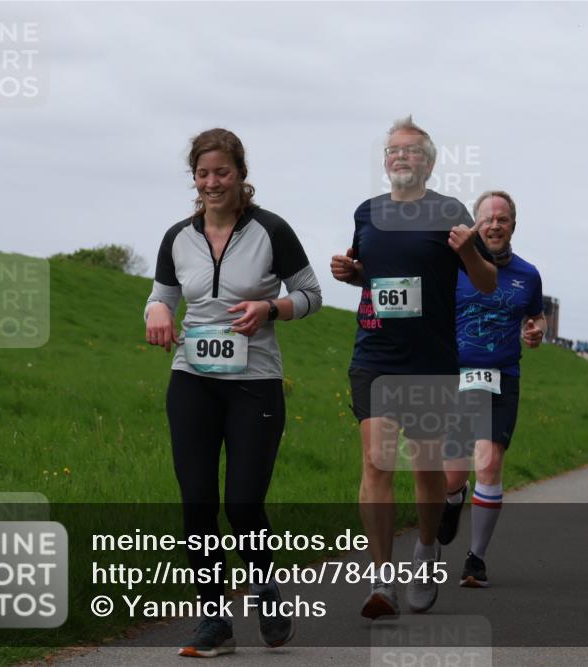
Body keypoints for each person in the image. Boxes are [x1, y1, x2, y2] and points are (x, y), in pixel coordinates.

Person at [145, 128, 322, 657]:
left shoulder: (272, 230)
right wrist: (155, 312)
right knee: (197, 504)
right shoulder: (178, 236)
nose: (212, 182)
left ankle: (267, 594)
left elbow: (310, 295)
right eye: (203, 174)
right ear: (194, 179)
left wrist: (270, 309)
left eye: (222, 172)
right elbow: (161, 297)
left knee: (243, 503)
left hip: (255, 384)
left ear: (241, 175)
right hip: (192, 381)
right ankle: (214, 622)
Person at [330, 116, 496, 618]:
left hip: (430, 359)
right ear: (385, 162)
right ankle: (382, 580)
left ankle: (426, 550)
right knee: (377, 462)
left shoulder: (450, 212)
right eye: (391, 152)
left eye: (409, 152)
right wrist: (352, 274)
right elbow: (375, 278)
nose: (399, 158)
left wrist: (468, 250)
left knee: (425, 467)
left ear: (428, 162)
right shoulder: (367, 213)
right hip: (375, 354)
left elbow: (486, 282)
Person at [435, 190, 545, 588]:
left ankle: (475, 559)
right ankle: (452, 498)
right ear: (474, 224)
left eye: (503, 218)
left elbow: (536, 315)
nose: (495, 224)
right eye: (488, 218)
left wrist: (536, 330)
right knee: (452, 474)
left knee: (490, 462)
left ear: (513, 225)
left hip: (502, 376)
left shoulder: (528, 275)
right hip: (455, 375)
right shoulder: (453, 267)